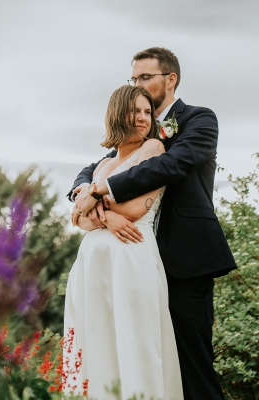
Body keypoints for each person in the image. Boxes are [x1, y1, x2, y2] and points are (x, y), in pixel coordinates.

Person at [68, 47, 237, 399]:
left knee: (192, 364)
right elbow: (94, 168)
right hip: (135, 261)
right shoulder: (135, 135)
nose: (139, 83)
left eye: (146, 77)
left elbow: (171, 166)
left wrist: (101, 191)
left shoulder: (199, 119)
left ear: (170, 78)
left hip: (185, 257)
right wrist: (86, 193)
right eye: (135, 79)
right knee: (133, 352)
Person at [64, 85, 183, 399]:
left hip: (131, 259)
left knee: (135, 341)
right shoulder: (101, 167)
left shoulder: (153, 150)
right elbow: (76, 218)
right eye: (136, 111)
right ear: (118, 114)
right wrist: (107, 217)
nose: (144, 118)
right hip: (92, 266)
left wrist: (98, 210)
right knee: (95, 341)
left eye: (148, 112)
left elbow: (133, 209)